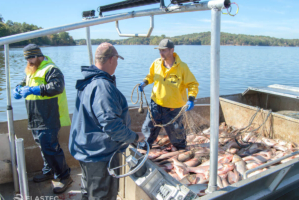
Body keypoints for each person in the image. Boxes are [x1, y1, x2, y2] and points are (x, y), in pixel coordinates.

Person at [69, 42, 144, 200]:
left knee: (88, 191)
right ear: (111, 59)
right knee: (101, 195)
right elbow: (112, 126)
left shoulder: (89, 80)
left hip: (86, 150)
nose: (117, 63)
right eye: (117, 59)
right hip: (98, 156)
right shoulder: (102, 86)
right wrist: (135, 137)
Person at [12, 44, 72, 194]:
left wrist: (34, 90)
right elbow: (25, 82)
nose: (29, 62)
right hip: (35, 116)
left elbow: (58, 86)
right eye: (27, 59)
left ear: (39, 55)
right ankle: (48, 171)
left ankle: (64, 177)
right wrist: (19, 88)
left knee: (50, 148)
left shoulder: (51, 69)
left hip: (49, 116)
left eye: (31, 58)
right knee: (42, 146)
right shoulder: (32, 70)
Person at [139, 39, 199, 150]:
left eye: (164, 50)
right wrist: (145, 82)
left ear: (172, 50)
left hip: (173, 108)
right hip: (155, 104)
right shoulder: (156, 63)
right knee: (148, 128)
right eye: (160, 50)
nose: (161, 53)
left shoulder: (182, 67)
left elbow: (192, 84)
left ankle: (180, 149)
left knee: (176, 131)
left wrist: (191, 99)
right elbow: (151, 76)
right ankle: (143, 147)